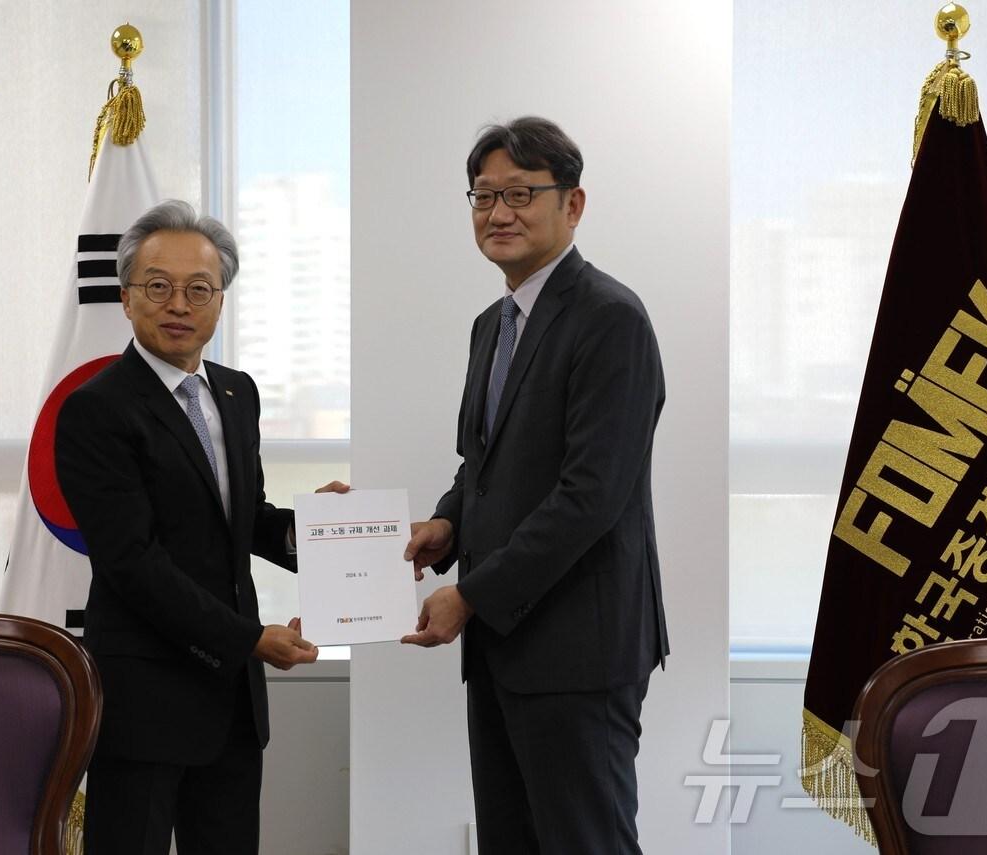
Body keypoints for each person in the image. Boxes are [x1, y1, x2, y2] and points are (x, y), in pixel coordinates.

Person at [402, 117, 669, 855]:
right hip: (503, 644)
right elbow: (483, 463)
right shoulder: (492, 324)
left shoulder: (611, 318)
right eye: (484, 196)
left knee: (586, 842)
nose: (499, 213)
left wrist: (471, 594)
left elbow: (591, 495)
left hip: (580, 648)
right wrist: (448, 523)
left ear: (572, 204)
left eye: (520, 194)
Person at [55, 199, 346, 855]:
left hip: (231, 703)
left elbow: (243, 519)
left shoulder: (237, 393)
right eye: (158, 286)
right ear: (126, 297)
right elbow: (133, 563)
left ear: (221, 301)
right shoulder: (96, 410)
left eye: (199, 289)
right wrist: (250, 638)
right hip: (145, 700)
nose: (178, 305)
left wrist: (322, 532)